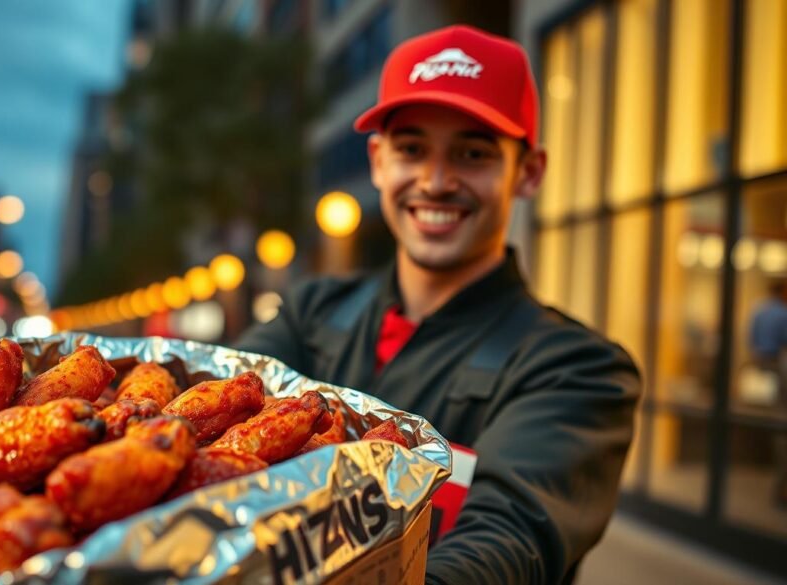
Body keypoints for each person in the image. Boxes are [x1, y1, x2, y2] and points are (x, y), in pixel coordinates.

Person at [237, 25, 640, 584]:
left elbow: (505, 545)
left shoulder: (577, 369)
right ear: (378, 162)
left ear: (528, 172)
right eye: (412, 149)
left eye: (473, 153)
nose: (435, 181)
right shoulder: (310, 312)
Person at [747, 280, 787, 509]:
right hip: (775, 367)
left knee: (761, 415)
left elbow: (750, 339)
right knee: (778, 421)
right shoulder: (782, 313)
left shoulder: (758, 311)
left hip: (758, 366)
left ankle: (762, 460)